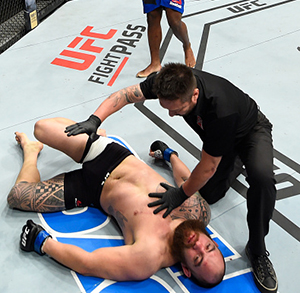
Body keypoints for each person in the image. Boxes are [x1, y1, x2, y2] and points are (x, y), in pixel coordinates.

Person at [65, 62, 278, 293]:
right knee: (208, 195)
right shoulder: (168, 81)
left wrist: (180, 194)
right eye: (167, 108)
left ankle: (257, 250)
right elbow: (126, 95)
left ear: (195, 96)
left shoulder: (221, 110)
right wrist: (95, 120)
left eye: (176, 109)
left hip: (249, 131)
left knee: (261, 177)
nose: (171, 113)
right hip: (219, 141)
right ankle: (173, 154)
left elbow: (208, 166)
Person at [7, 118, 226, 288]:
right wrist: (170, 155)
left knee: (18, 196)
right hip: (111, 157)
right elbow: (185, 180)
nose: (198, 244)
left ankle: (31, 152)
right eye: (208, 247)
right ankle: (95, 134)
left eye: (197, 258)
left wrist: (42, 242)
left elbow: (88, 263)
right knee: (42, 128)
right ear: (214, 243)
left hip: (92, 190)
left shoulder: (149, 257)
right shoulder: (197, 213)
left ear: (187, 270)